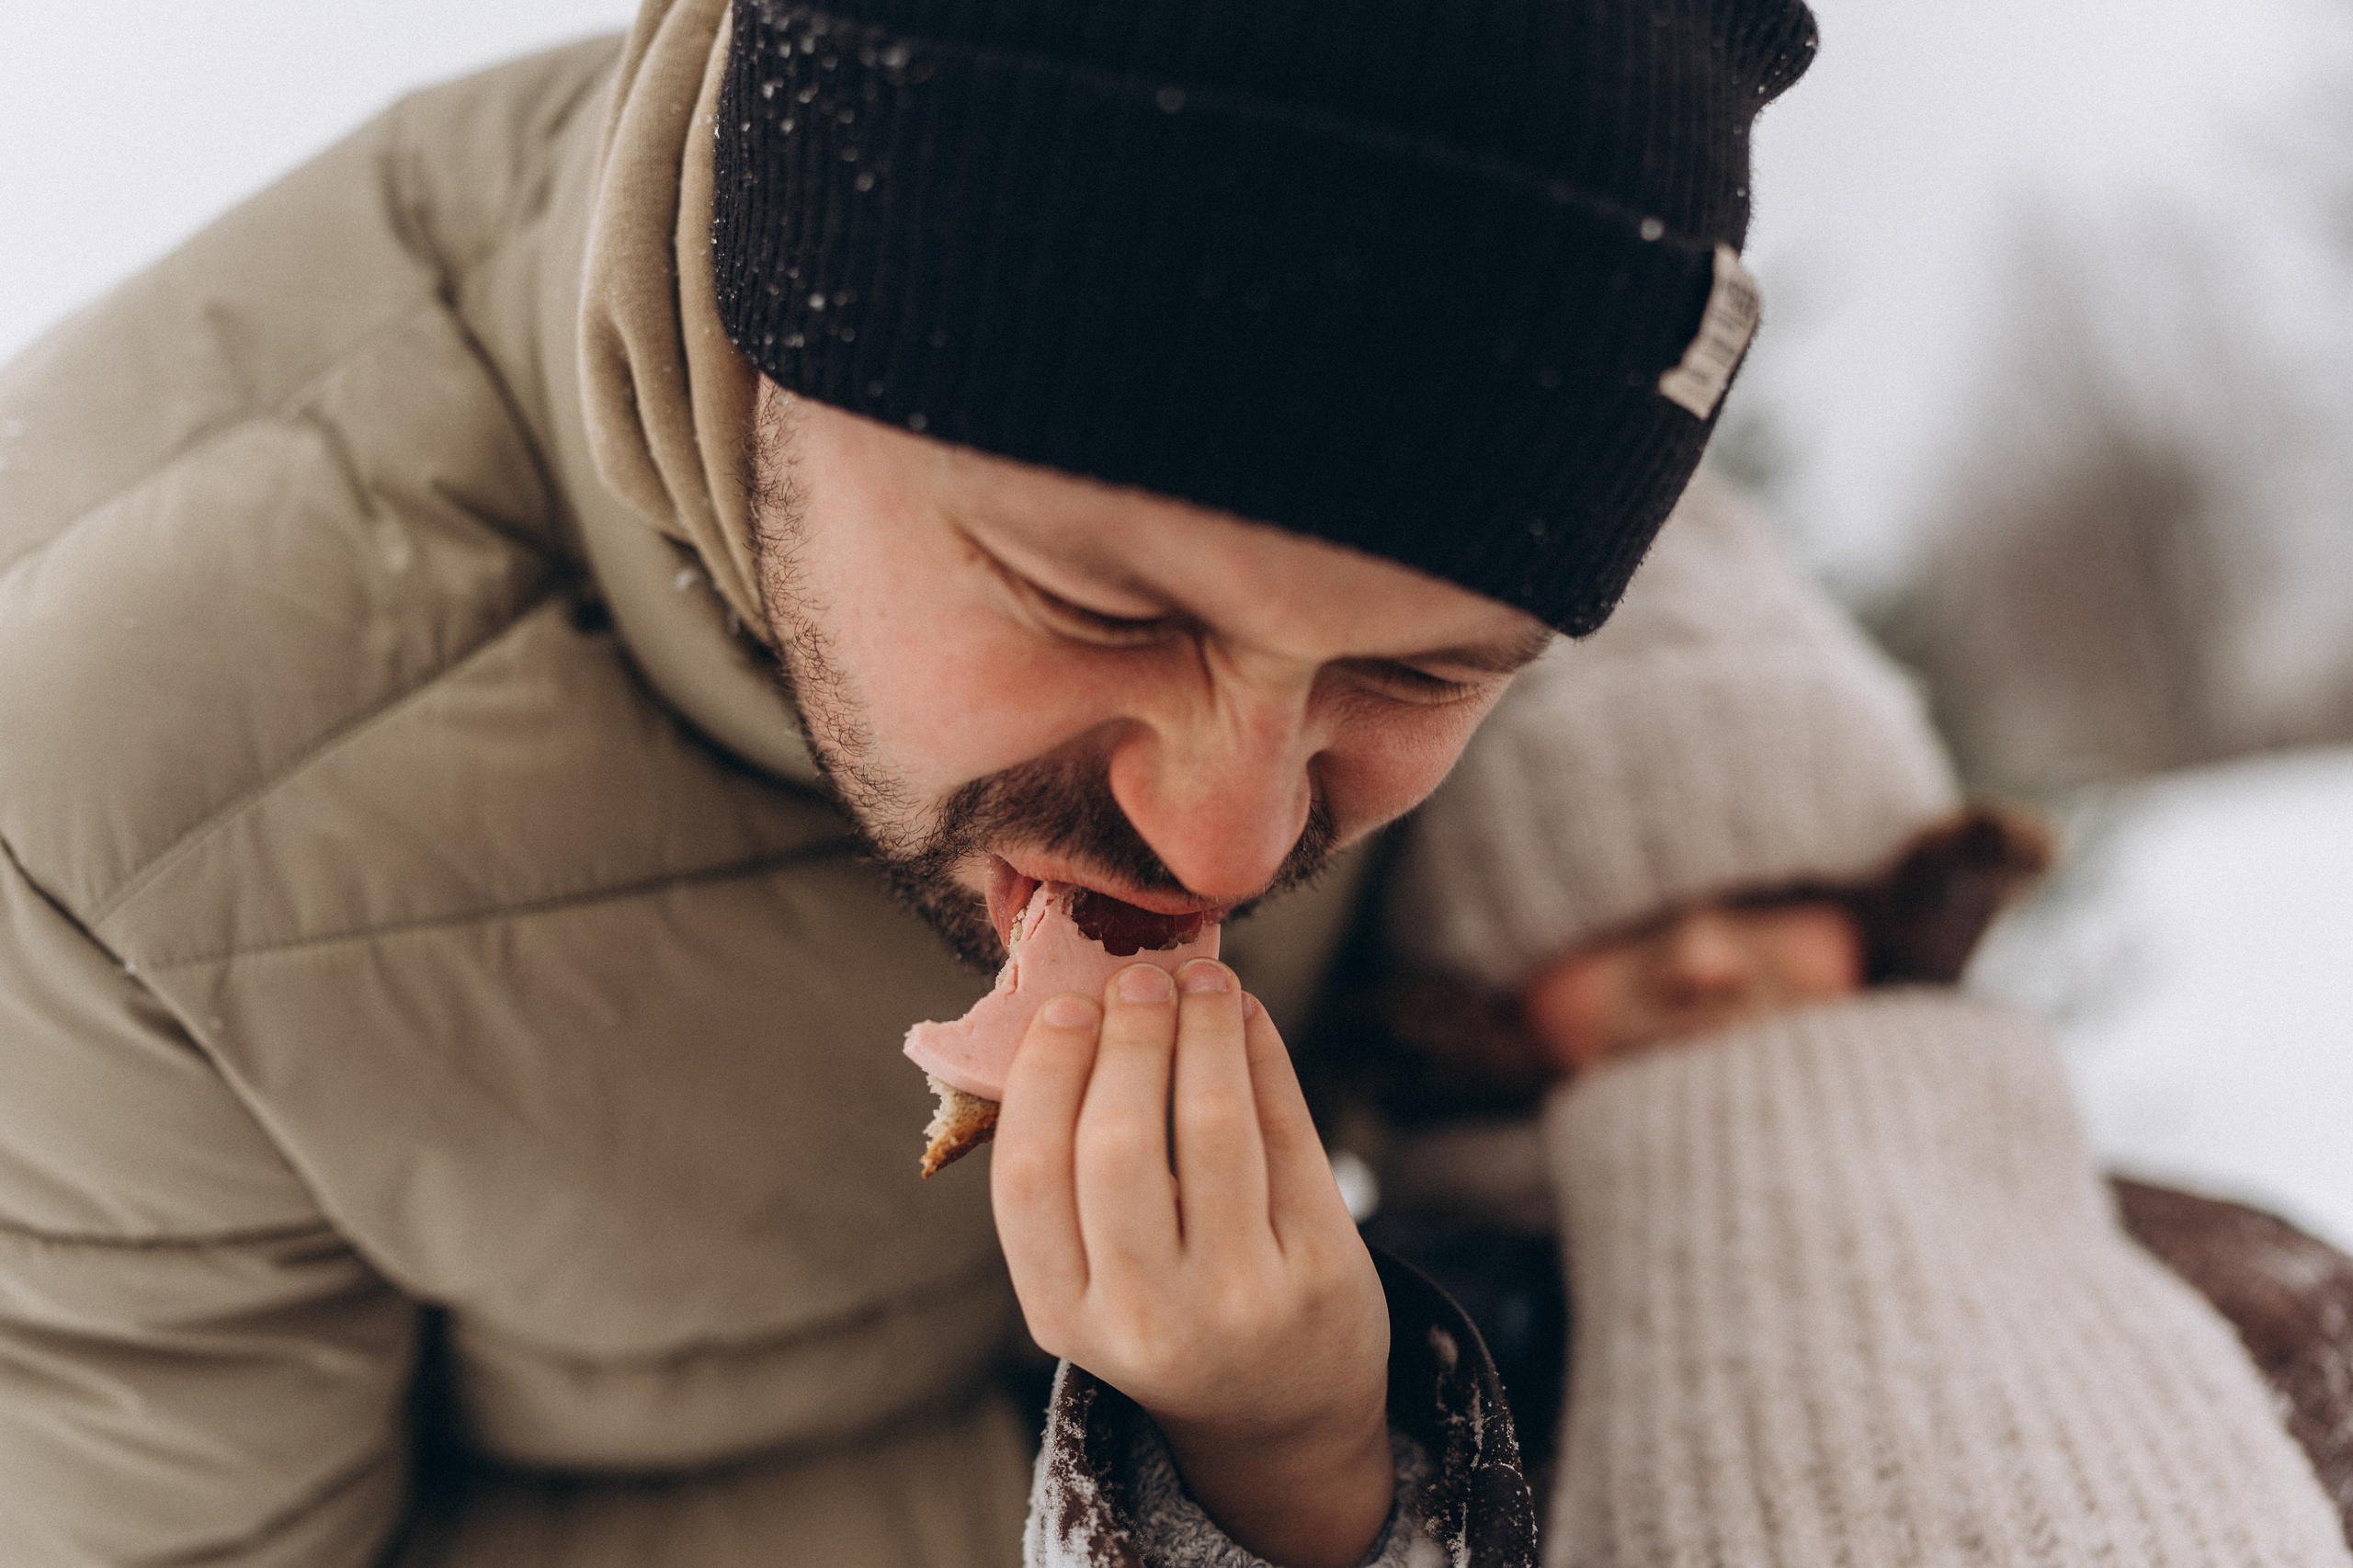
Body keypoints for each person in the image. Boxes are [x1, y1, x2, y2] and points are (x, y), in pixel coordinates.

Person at [0, 0, 1820, 1563]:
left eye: (1411, 672)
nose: (1229, 834)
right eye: (1097, 606)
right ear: (754, 341)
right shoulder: (102, 810)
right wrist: (1226, 1485)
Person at [1348, 477, 2353, 1562]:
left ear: (1889, 912)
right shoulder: (1379, 1355)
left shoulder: (2243, 1279)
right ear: (1471, 984)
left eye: (1773, 893)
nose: (1704, 962)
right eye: (1610, 925)